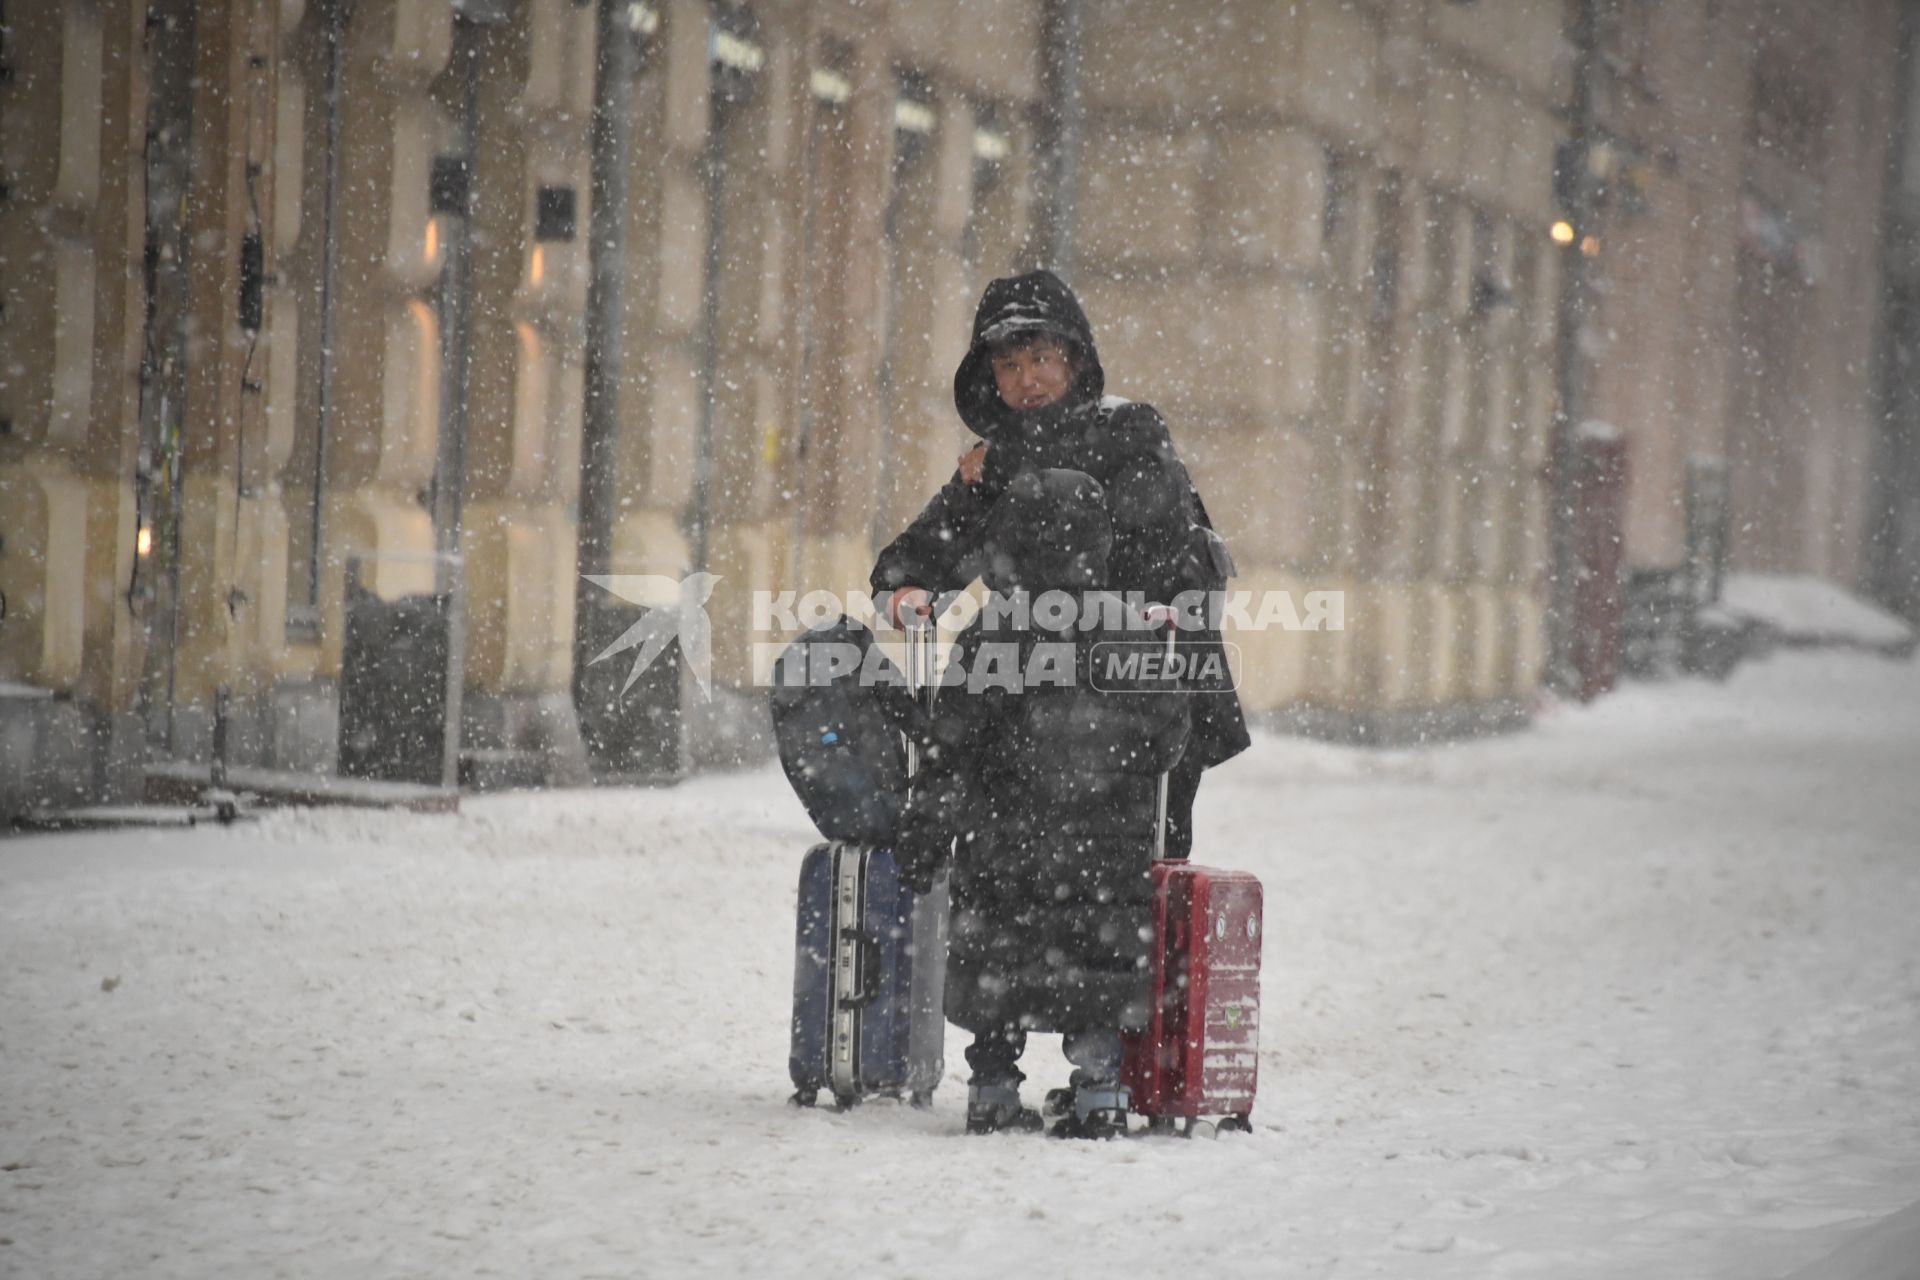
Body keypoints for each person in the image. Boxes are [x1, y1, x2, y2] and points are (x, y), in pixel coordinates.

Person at [870, 269, 1250, 862]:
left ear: (1074, 357)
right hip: (1030, 680)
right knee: (1008, 836)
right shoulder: (996, 462)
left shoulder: (1129, 432)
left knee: (1141, 848)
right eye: (1009, 367)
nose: (1028, 381)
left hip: (1137, 675)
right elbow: (922, 552)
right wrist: (904, 590)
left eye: (1042, 357)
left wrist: (1011, 468)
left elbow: (1162, 551)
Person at [894, 469, 1190, 1136]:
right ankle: (1097, 1087)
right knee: (1097, 964)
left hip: (1005, 846)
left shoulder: (991, 633)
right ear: (1098, 542)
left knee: (999, 964)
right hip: (1105, 853)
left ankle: (994, 1088)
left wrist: (926, 834)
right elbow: (1168, 742)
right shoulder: (1129, 630)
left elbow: (951, 752)